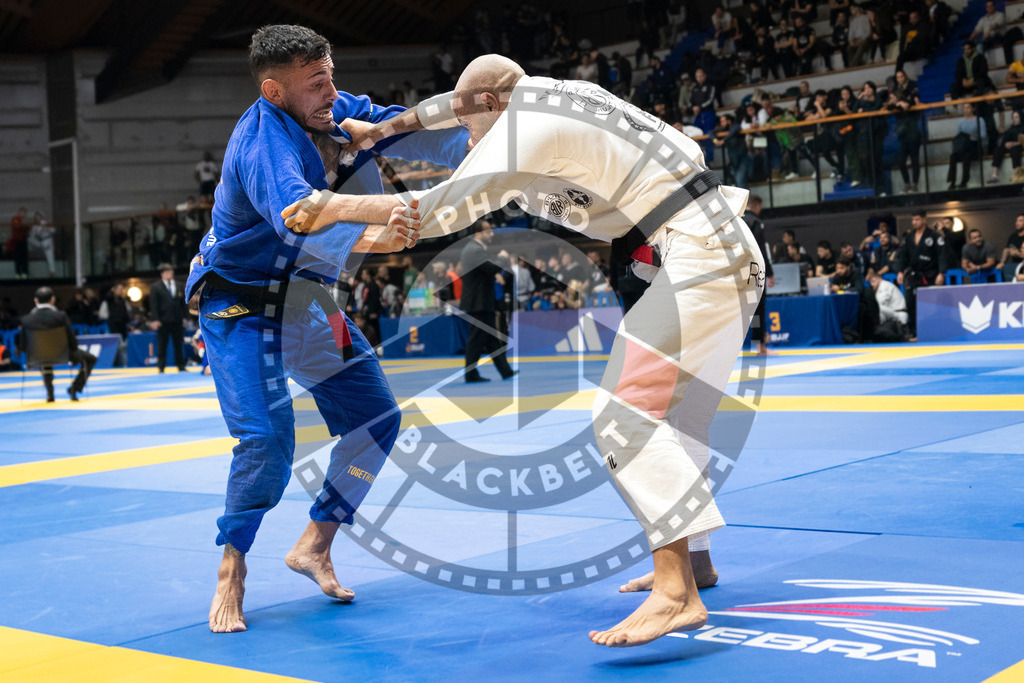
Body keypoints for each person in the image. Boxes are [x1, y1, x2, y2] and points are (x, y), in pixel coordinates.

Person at [285, 54, 766, 648]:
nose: (464, 139)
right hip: (725, 248)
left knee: (627, 417)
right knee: (679, 419)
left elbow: (431, 214)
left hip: (694, 256)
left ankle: (676, 596)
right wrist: (381, 131)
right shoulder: (548, 94)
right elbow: (450, 105)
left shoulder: (519, 132)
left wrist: (331, 207)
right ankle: (694, 562)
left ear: (489, 107)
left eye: (468, 128)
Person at [183, 25, 470, 634]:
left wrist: (490, 143)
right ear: (274, 90)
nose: (331, 92)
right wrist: (379, 228)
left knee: (376, 418)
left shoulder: (333, 110)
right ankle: (232, 566)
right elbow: (297, 215)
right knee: (266, 440)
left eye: (331, 75)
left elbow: (408, 130)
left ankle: (316, 541)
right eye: (316, 84)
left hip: (304, 302)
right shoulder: (262, 144)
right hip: (238, 304)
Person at [459, 221, 516, 382]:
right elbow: (491, 268)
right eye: (488, 232)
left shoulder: (474, 249)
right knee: (476, 340)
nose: (491, 234)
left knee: (491, 340)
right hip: (478, 302)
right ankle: (470, 374)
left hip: (481, 301)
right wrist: (503, 258)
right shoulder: (474, 250)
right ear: (478, 234)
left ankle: (505, 371)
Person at [18, 286, 97, 402]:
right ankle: (74, 389)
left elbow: (23, 346)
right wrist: (73, 351)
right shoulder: (60, 316)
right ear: (52, 299)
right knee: (91, 359)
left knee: (44, 357)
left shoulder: (26, 320)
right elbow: (72, 341)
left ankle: (50, 393)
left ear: (36, 300)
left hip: (38, 357)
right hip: (63, 355)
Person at [896, 209, 946, 338]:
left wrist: (941, 273)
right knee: (911, 304)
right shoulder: (909, 237)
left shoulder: (934, 235)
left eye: (917, 219)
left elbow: (942, 255)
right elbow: (903, 256)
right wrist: (900, 271)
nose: (914, 222)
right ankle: (915, 331)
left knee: (930, 305)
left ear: (924, 219)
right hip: (913, 275)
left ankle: (932, 331)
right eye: (913, 220)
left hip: (930, 275)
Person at [744, 195, 774, 355]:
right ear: (756, 206)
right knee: (758, 310)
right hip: (754, 271)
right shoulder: (756, 222)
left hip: (735, 270)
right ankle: (760, 346)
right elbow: (761, 249)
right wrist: (769, 272)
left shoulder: (737, 220)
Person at [150, 263, 188, 372]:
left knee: (178, 343)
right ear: (162, 274)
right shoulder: (156, 286)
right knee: (162, 344)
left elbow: (183, 303)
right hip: (163, 320)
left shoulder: (178, 284)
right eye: (167, 272)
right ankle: (161, 367)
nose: (170, 274)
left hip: (177, 319)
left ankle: (181, 365)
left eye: (171, 272)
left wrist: (185, 317)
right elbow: (153, 304)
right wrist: (155, 319)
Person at [948, 101, 987, 190]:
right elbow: (958, 136)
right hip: (963, 146)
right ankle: (952, 181)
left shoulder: (979, 120)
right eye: (964, 108)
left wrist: (971, 135)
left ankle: (964, 181)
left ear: (973, 108)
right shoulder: (961, 122)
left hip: (974, 145)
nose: (966, 110)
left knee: (967, 155)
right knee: (953, 156)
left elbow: (983, 135)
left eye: (968, 107)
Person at [989, 110, 1024, 184]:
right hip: (1010, 146)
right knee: (998, 149)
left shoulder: (1023, 128)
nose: (1015, 119)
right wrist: (1006, 144)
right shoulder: (1011, 129)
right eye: (1013, 117)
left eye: (1017, 117)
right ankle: (994, 174)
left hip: (1019, 146)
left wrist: (1014, 143)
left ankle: (1016, 174)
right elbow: (1005, 139)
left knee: (1015, 150)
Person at [997, 214, 1024, 282]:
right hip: (1015, 265)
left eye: (1020, 221)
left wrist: (1019, 254)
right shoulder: (1013, 236)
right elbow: (1007, 249)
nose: (1017, 223)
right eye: (1016, 221)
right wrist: (1002, 262)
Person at [10, 207, 29, 279]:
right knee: (17, 257)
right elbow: (18, 227)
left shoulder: (24, 221)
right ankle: (18, 273)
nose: (23, 214)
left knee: (24, 257)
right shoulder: (15, 219)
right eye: (22, 212)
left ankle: (24, 273)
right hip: (17, 241)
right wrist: (24, 226)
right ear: (19, 213)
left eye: (24, 213)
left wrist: (25, 226)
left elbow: (27, 229)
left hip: (24, 241)